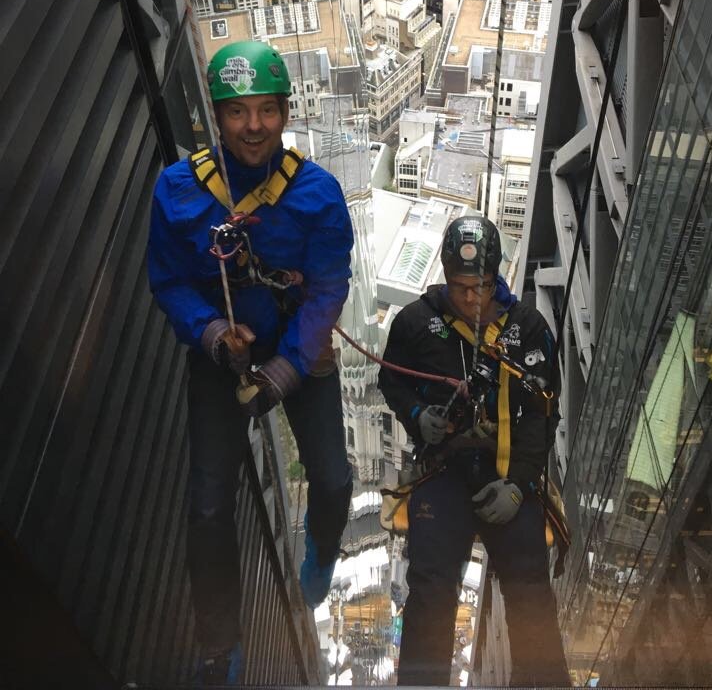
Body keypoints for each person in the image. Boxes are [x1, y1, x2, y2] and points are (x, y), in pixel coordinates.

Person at [147, 41, 353, 684]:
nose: (255, 127)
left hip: (296, 344)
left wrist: (287, 369)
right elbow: (168, 280)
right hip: (223, 350)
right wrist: (211, 333)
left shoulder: (316, 195)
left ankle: (319, 552)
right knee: (206, 506)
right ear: (217, 116)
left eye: (267, 111)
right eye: (239, 113)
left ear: (287, 113)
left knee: (336, 481)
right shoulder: (180, 191)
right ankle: (219, 643)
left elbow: (326, 289)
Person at [379, 215, 570, 687]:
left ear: (497, 276)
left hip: (508, 471)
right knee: (430, 586)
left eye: (481, 286)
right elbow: (391, 379)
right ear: (446, 275)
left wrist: (520, 483)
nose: (471, 298)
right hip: (443, 471)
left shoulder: (527, 329)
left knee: (528, 585)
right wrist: (418, 415)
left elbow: (542, 414)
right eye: (461, 286)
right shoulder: (417, 323)